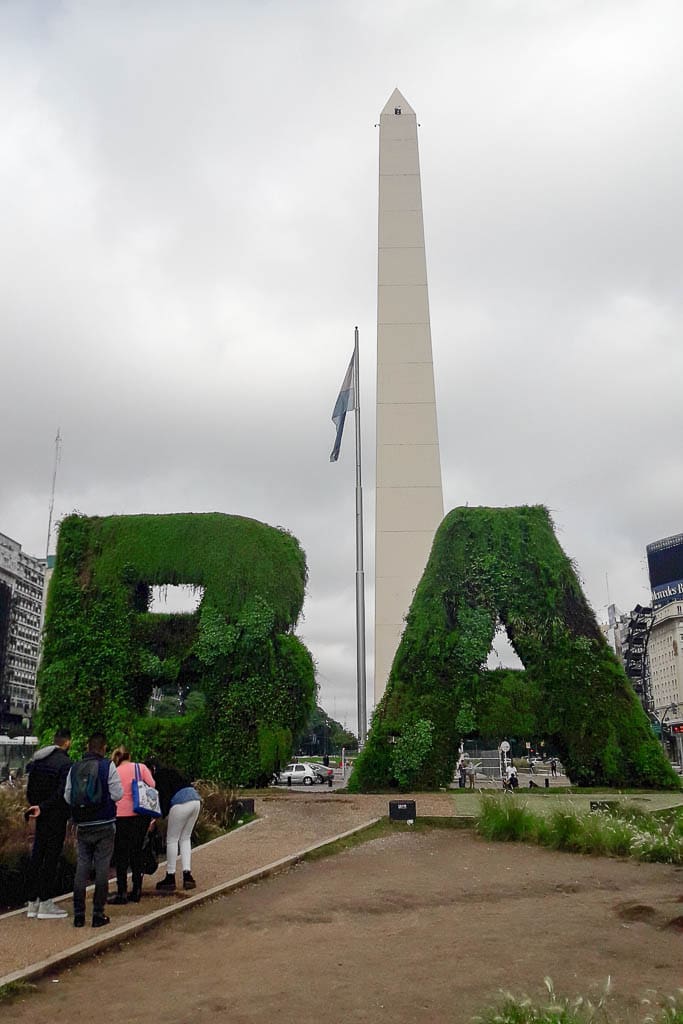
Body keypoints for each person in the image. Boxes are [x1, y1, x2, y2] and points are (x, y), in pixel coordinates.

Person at [65, 732, 123, 928]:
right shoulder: (108, 766)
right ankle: (98, 914)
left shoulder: (74, 767)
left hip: (82, 825)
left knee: (81, 867)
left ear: (87, 747)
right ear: (104, 747)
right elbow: (118, 794)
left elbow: (68, 796)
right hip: (105, 824)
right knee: (102, 868)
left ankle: (79, 915)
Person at [25, 727, 72, 920]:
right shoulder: (66, 763)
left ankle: (31, 902)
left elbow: (30, 788)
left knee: (37, 855)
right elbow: (63, 793)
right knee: (51, 857)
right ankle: (45, 902)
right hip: (56, 815)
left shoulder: (38, 760)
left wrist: (36, 806)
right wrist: (45, 807)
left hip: (39, 814)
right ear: (67, 742)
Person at [107, 745, 156, 905]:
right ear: (129, 755)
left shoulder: (113, 770)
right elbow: (152, 784)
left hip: (119, 815)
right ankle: (137, 889)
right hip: (139, 814)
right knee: (136, 851)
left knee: (121, 854)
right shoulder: (140, 767)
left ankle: (121, 891)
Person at [148, 762, 201, 892]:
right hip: (195, 800)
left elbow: (164, 799)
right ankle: (187, 875)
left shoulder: (159, 777)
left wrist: (155, 819)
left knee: (172, 840)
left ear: (151, 769)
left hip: (180, 803)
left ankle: (170, 876)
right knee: (185, 838)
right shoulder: (173, 771)